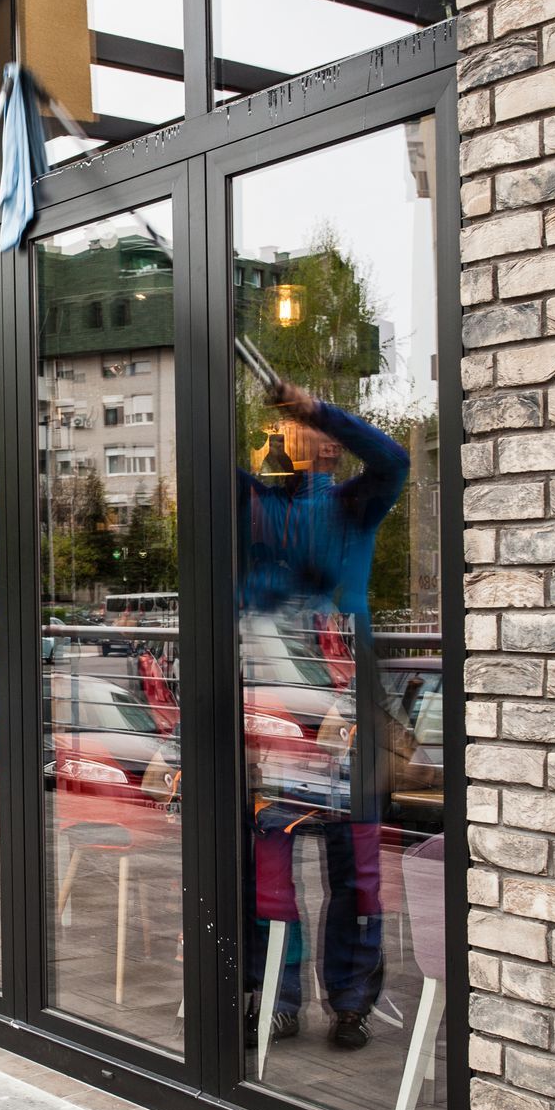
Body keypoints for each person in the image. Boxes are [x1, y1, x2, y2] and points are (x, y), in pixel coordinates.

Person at [238, 380, 408, 1052]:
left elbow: (393, 460)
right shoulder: (252, 505)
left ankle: (351, 1002)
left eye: (319, 430)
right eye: (291, 427)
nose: (305, 438)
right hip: (271, 705)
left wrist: (319, 409)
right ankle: (275, 996)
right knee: (270, 864)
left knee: (357, 867)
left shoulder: (352, 504)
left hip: (348, 711)